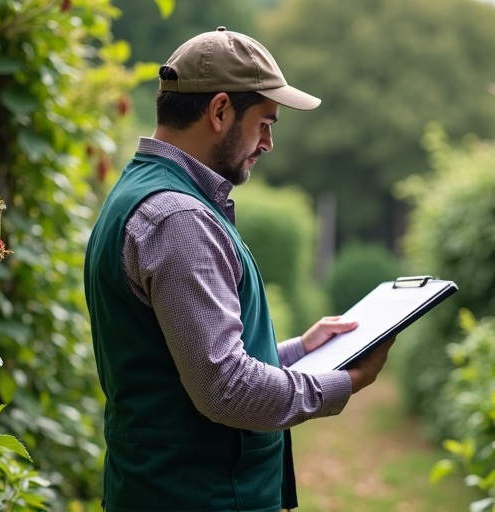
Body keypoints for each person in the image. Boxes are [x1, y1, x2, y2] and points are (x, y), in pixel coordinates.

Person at [84, 26, 394, 512]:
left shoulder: (141, 192)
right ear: (220, 110)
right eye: (264, 123)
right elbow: (226, 388)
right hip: (196, 499)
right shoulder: (179, 219)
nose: (268, 143)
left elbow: (187, 361)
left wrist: (300, 349)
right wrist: (345, 381)